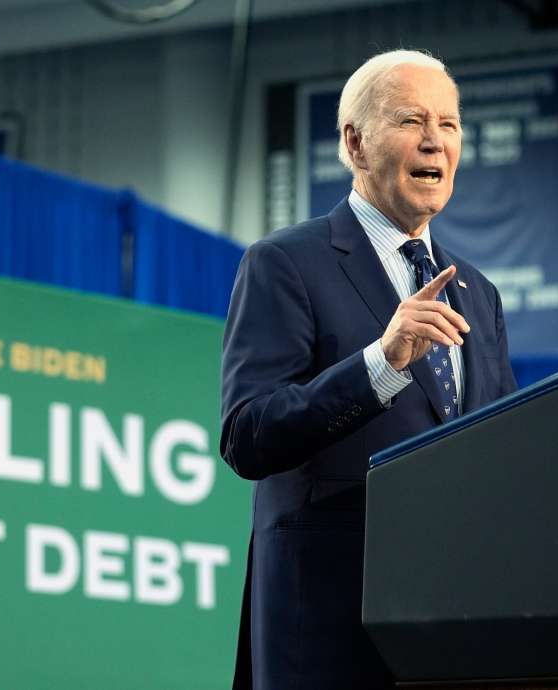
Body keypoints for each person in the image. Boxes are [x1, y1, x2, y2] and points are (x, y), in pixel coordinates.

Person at [220, 49, 519, 690]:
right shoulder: (286, 264)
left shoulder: (478, 295)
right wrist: (379, 365)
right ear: (355, 142)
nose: (436, 142)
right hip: (330, 630)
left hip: (454, 631)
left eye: (450, 123)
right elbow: (247, 433)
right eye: (413, 121)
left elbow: (503, 448)